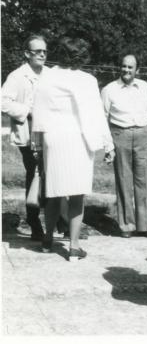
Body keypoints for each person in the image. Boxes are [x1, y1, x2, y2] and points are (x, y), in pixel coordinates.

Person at [32, 37, 115, 261]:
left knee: (53, 192)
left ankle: (47, 240)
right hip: (78, 139)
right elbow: (96, 115)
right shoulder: (87, 80)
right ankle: (74, 248)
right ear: (81, 56)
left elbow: (38, 110)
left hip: (54, 139)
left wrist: (36, 142)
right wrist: (108, 143)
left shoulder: (47, 76)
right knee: (77, 194)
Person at [101, 54, 147, 239]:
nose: (126, 70)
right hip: (120, 135)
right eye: (124, 66)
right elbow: (102, 118)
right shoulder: (109, 89)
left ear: (137, 70)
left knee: (142, 180)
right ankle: (127, 225)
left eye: (130, 67)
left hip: (141, 134)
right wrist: (108, 145)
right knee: (124, 180)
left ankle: (144, 225)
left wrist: (141, 128)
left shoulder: (144, 87)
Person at [2, 35, 49, 240]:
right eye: (37, 51)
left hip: (50, 130)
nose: (42, 54)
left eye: (44, 51)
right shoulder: (17, 76)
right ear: (27, 54)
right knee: (36, 172)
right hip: (30, 131)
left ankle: (59, 219)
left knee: (53, 172)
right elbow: (3, 102)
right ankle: (34, 220)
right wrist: (27, 111)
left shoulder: (50, 74)